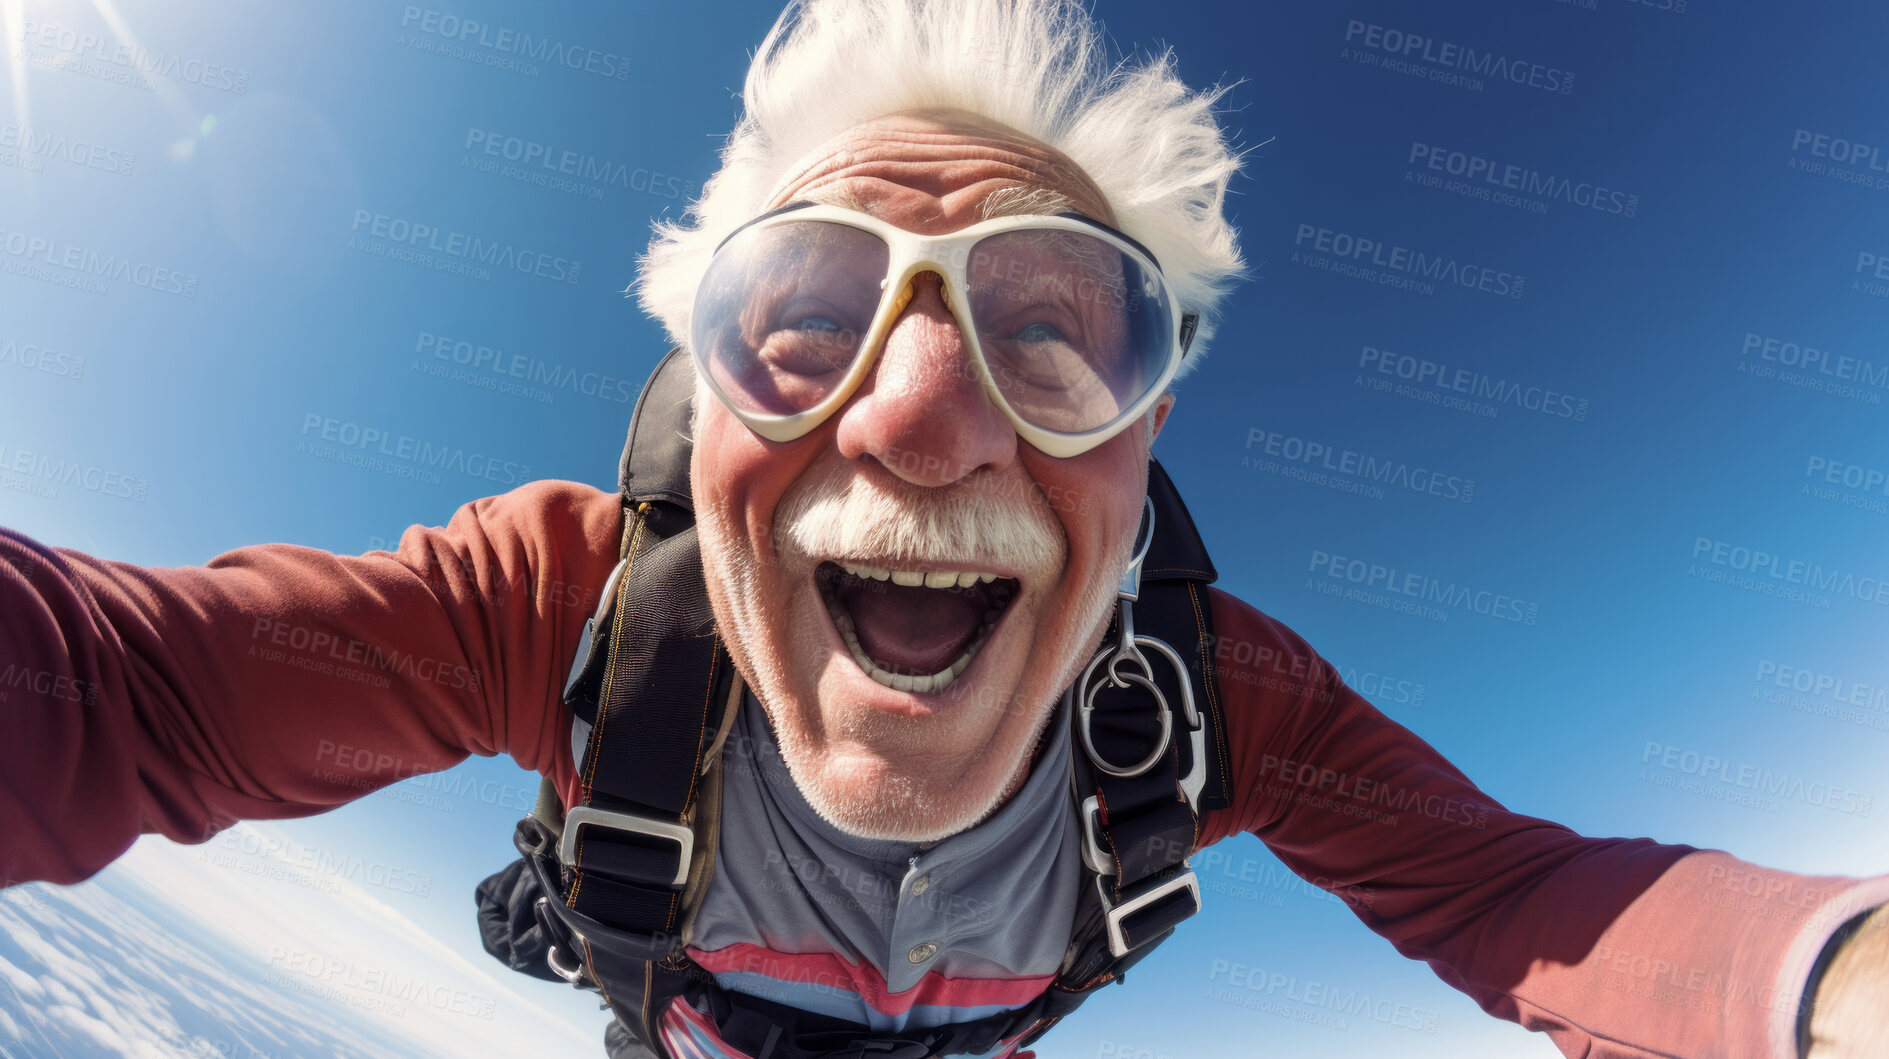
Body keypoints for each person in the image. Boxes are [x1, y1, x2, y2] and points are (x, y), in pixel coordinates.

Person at [3, 1, 1886, 1056]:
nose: (915, 415)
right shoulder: (582, 605)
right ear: (707, 393)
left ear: (1147, 439)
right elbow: (125, 690)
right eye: (805, 326)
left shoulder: (1211, 697)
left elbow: (1519, 900)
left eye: (1058, 333)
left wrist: (1837, 989)